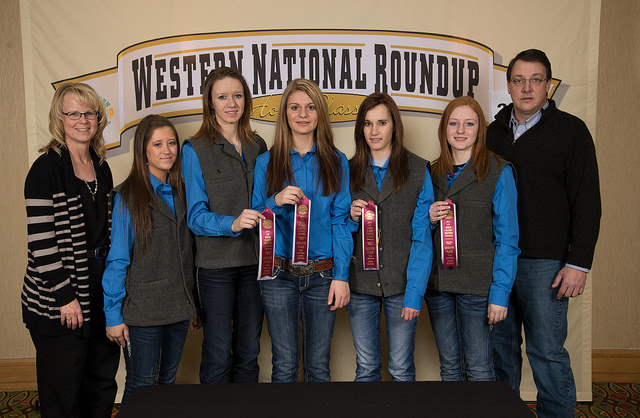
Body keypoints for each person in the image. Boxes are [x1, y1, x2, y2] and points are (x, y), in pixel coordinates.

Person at [487, 49, 601, 417]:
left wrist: (578, 263)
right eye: (518, 80)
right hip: (499, 260)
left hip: (547, 264)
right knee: (500, 350)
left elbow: (588, 201)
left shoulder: (571, 132)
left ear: (549, 85)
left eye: (536, 80)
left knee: (547, 351)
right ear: (508, 85)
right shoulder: (492, 133)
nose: (527, 88)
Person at [21, 82, 119, 417]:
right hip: (58, 301)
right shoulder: (45, 169)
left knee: (101, 384)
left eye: (89, 112)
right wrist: (65, 296)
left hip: (98, 292)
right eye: (73, 113)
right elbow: (41, 242)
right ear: (58, 119)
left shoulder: (100, 165)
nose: (82, 120)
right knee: (63, 393)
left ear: (98, 117)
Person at [252, 78, 352, 382]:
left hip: (323, 276)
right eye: (295, 107)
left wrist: (342, 276)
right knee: (283, 365)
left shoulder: (337, 162)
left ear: (320, 113)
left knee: (319, 366)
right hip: (278, 277)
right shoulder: (266, 163)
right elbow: (255, 217)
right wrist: (277, 201)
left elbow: (341, 221)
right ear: (285, 114)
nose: (303, 114)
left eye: (310, 107)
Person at [102, 115, 198, 403]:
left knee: (166, 382)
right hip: (143, 312)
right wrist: (113, 314)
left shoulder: (183, 191)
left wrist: (192, 305)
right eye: (158, 144)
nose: (167, 150)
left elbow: (188, 254)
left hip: (178, 308)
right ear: (143, 151)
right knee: (142, 385)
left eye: (171, 143)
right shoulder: (128, 196)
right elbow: (117, 259)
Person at [181, 66, 267, 383]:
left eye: (237, 95)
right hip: (215, 266)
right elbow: (195, 215)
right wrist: (232, 223)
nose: (231, 103)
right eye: (222, 97)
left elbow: (265, 203)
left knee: (248, 352)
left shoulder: (259, 146)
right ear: (210, 103)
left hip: (256, 263)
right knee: (218, 354)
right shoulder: (195, 150)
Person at [426, 96, 520, 382]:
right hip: (438, 285)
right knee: (450, 368)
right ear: (444, 129)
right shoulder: (432, 172)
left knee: (479, 368)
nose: (460, 130)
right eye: (454, 123)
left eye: (469, 123)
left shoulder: (499, 171)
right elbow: (415, 231)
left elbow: (508, 240)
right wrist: (428, 218)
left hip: (479, 287)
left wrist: (500, 293)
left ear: (481, 129)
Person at [346, 92, 433, 381]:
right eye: (368, 124)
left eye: (381, 123)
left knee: (400, 368)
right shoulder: (346, 170)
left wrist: (415, 293)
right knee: (366, 368)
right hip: (360, 284)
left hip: (403, 285)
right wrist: (350, 217)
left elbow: (422, 238)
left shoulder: (419, 169)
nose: (374, 131)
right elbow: (335, 227)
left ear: (394, 125)